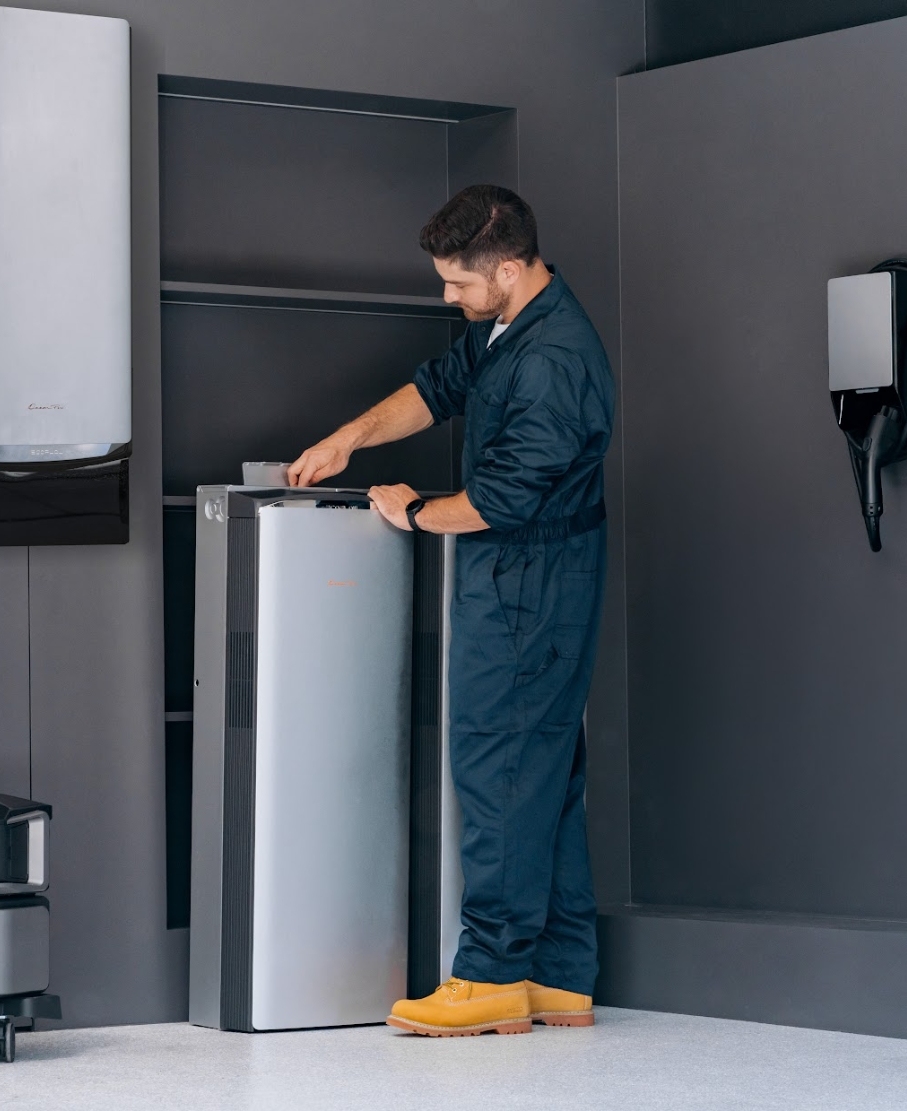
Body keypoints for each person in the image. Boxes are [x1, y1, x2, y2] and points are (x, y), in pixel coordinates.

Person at [287, 185, 615, 1036]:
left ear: (508, 268)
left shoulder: (554, 361)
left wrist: (413, 511)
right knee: (545, 773)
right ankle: (559, 974)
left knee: (500, 766)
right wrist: (349, 438)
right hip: (527, 579)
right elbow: (438, 388)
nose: (447, 298)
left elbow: (504, 497)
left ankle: (493, 974)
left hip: (529, 586)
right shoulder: (512, 326)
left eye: (458, 284)